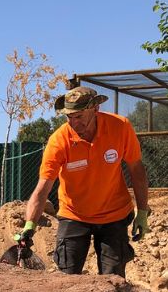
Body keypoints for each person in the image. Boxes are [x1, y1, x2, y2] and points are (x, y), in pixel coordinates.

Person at [16, 86, 149, 277]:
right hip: (74, 215)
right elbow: (43, 187)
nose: (73, 122)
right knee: (67, 276)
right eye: (69, 117)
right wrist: (30, 225)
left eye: (78, 116)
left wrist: (142, 211)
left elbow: (137, 170)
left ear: (95, 109)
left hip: (114, 214)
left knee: (113, 278)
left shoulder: (120, 127)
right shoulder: (59, 141)